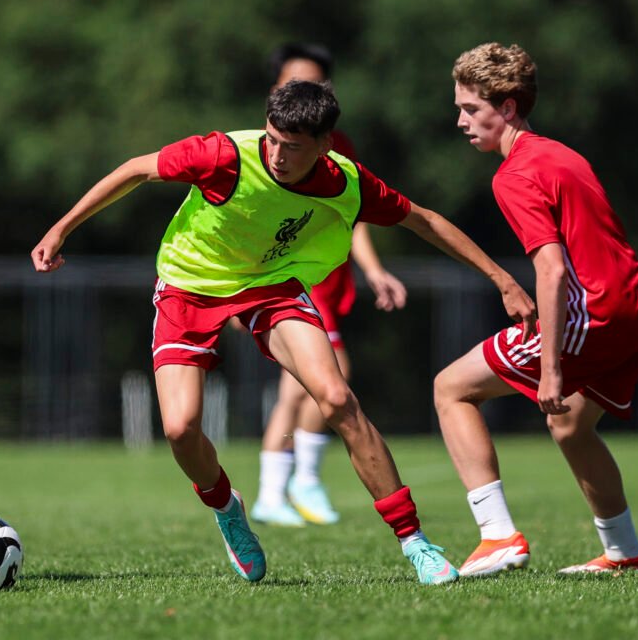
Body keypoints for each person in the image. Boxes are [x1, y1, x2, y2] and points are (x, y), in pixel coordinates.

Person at [31, 78, 536, 585]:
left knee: (337, 399)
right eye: (272, 139)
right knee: (180, 430)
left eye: (292, 147)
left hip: (270, 287)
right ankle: (227, 507)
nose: (276, 155)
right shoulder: (222, 156)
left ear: (325, 146)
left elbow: (424, 221)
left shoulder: (346, 182)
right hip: (189, 287)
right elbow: (136, 169)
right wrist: (61, 228)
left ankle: (416, 543)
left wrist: (502, 279)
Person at [433, 42, 638, 577]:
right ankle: (626, 553)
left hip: (595, 313)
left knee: (451, 388)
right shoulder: (562, 154)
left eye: (471, 108)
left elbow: (553, 271)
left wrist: (552, 368)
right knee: (571, 427)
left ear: (508, 107)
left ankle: (497, 536)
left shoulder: (513, 175)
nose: (461, 121)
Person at [250, 43, 407, 528]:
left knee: (301, 387)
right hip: (293, 278)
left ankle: (282, 488)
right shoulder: (261, 150)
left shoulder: (336, 145)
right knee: (326, 376)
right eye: (293, 82)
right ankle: (297, 481)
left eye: (315, 83)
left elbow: (352, 215)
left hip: (328, 276)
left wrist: (374, 270)